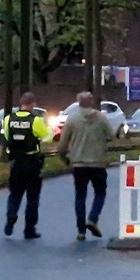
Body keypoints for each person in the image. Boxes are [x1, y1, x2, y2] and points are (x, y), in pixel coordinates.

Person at [57, 91, 114, 241]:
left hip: (79, 164)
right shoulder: (101, 118)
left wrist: (66, 159)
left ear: (78, 102)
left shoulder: (72, 119)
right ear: (92, 102)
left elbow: (62, 144)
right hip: (98, 163)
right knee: (100, 193)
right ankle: (93, 219)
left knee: (80, 197)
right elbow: (111, 136)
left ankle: (81, 231)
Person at [1, 91, 50, 239]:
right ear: (33, 104)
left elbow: (6, 137)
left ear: (21, 104)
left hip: (16, 163)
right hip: (32, 162)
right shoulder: (36, 120)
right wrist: (50, 130)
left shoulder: (9, 119)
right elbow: (47, 137)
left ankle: (11, 216)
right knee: (32, 198)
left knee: (15, 194)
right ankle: (29, 229)